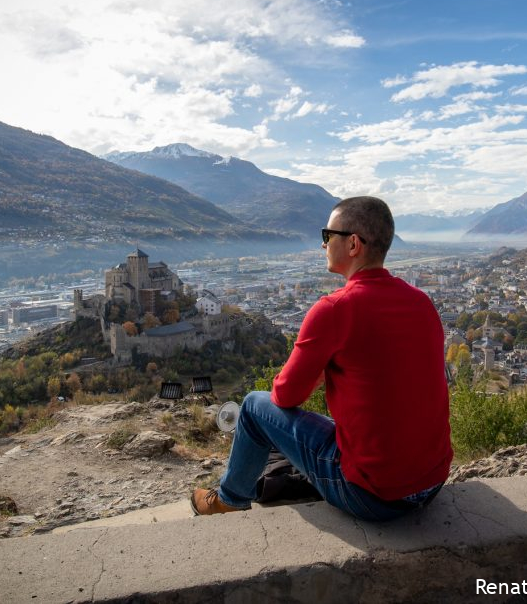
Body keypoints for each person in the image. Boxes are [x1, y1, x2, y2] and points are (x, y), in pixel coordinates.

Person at [191, 196, 453, 521]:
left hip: (372, 496)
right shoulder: (421, 303)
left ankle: (229, 499)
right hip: (431, 484)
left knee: (254, 406)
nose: (323, 245)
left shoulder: (334, 309)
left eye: (327, 236)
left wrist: (318, 373)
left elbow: (285, 396)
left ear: (354, 244)